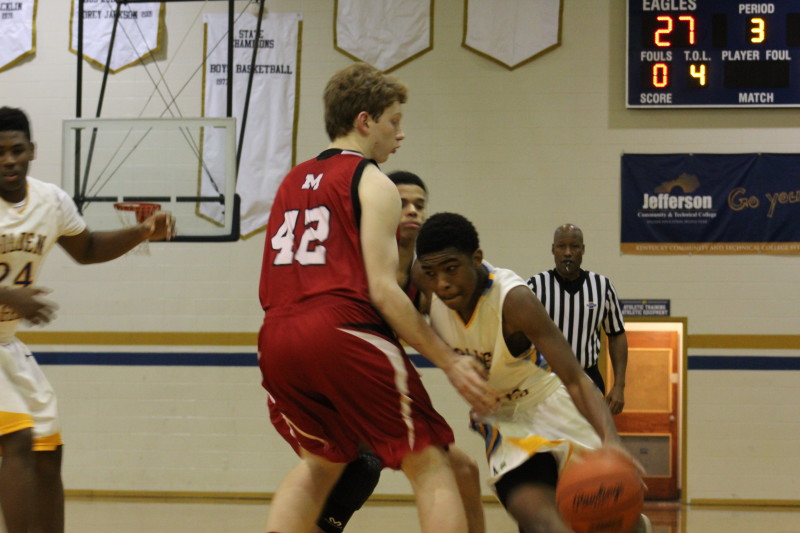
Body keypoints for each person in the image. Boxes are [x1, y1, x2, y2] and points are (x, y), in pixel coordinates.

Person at [258, 64, 497, 533]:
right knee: (430, 464)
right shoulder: (372, 181)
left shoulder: (290, 182)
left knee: (320, 464)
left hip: (276, 336)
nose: (400, 134)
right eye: (393, 121)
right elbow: (382, 291)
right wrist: (449, 362)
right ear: (365, 122)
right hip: (342, 327)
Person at [414, 212, 651, 533]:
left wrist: (612, 439)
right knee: (541, 523)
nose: (441, 281)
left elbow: (576, 378)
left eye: (452, 269)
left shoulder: (514, 299)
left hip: (550, 401)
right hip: (503, 420)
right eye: (432, 273)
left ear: (476, 259)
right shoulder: (425, 279)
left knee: (617, 514)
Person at [0, 106, 175, 533]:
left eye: (16, 150)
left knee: (46, 449)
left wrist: (142, 232)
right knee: (18, 438)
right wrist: (7, 295)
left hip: (7, 342)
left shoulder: (51, 201)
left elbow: (88, 248)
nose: (8, 159)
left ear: (32, 151)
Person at [314, 171, 485, 533]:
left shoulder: (425, 274)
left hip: (377, 384)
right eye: (403, 203)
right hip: (340, 378)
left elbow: (446, 339)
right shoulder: (359, 259)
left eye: (419, 205)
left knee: (464, 470)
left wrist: (474, 384)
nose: (412, 212)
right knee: (356, 468)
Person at [526, 223, 629, 414]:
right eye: (561, 246)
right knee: (549, 443)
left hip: (588, 378)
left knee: (590, 443)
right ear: (553, 250)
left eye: (574, 246)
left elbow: (617, 335)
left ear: (583, 250)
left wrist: (619, 386)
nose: (567, 252)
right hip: (544, 381)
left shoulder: (602, 287)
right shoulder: (534, 287)